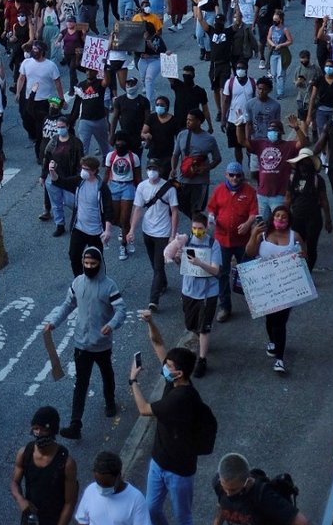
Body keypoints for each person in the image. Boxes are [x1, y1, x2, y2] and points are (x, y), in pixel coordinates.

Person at [129, 333, 214, 525]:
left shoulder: (181, 398)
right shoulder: (175, 382)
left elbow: (144, 410)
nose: (165, 368)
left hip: (180, 469)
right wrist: (150, 323)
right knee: (152, 508)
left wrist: (132, 380)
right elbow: (158, 344)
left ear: (180, 374)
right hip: (159, 461)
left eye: (169, 367)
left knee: (183, 518)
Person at [44, 245, 125, 441]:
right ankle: (75, 423)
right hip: (81, 343)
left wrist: (112, 325)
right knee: (81, 382)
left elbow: (121, 310)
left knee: (107, 374)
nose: (89, 266)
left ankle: (110, 401)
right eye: (86, 263)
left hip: (102, 344)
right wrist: (54, 322)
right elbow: (68, 304)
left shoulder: (109, 286)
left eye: (93, 263)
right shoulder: (77, 283)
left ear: (100, 264)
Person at [10, 406, 78, 525]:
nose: (38, 433)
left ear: (53, 430)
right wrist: (21, 499)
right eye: (35, 428)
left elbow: (69, 503)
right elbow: (14, 483)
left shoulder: (66, 463)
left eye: (42, 429)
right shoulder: (24, 453)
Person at [244, 205, 304, 375]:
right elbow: (249, 252)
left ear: (289, 220)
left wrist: (300, 256)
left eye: (284, 217)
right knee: (271, 320)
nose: (280, 219)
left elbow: (304, 255)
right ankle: (272, 341)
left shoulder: (295, 236)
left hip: (286, 286)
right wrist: (254, 235)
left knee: (280, 322)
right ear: (272, 218)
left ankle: (280, 358)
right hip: (266, 286)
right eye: (277, 216)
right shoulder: (263, 234)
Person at [163, 213, 221, 376]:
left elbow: (216, 270)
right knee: (191, 325)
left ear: (206, 227)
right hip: (189, 291)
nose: (197, 232)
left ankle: (201, 360)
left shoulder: (212, 244)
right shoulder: (186, 241)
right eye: (194, 228)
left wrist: (200, 263)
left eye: (200, 229)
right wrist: (176, 259)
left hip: (207, 293)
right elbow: (182, 265)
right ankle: (205, 339)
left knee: (203, 328)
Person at [206, 162, 260, 323]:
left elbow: (254, 213)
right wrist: (211, 219)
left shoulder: (249, 191)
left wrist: (248, 224)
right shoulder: (219, 190)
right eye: (232, 175)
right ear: (226, 175)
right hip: (222, 239)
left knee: (248, 270)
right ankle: (225, 306)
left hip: (242, 240)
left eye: (238, 175)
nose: (235, 178)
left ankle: (257, 301)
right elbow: (212, 209)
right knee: (222, 273)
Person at [127, 161, 178, 313]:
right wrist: (131, 230)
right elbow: (137, 208)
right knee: (155, 264)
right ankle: (162, 283)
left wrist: (172, 235)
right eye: (149, 168)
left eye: (154, 168)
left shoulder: (169, 189)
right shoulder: (142, 187)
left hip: (163, 233)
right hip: (147, 231)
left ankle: (153, 301)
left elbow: (174, 211)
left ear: (160, 170)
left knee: (157, 266)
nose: (152, 171)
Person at [284, 148, 331, 272]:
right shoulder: (292, 179)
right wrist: (284, 215)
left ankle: (308, 272)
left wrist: (328, 220)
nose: (303, 165)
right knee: (295, 245)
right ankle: (297, 270)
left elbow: (324, 200)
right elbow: (288, 198)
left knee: (311, 246)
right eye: (301, 162)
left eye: (306, 162)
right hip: (296, 217)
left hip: (313, 218)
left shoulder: (317, 180)